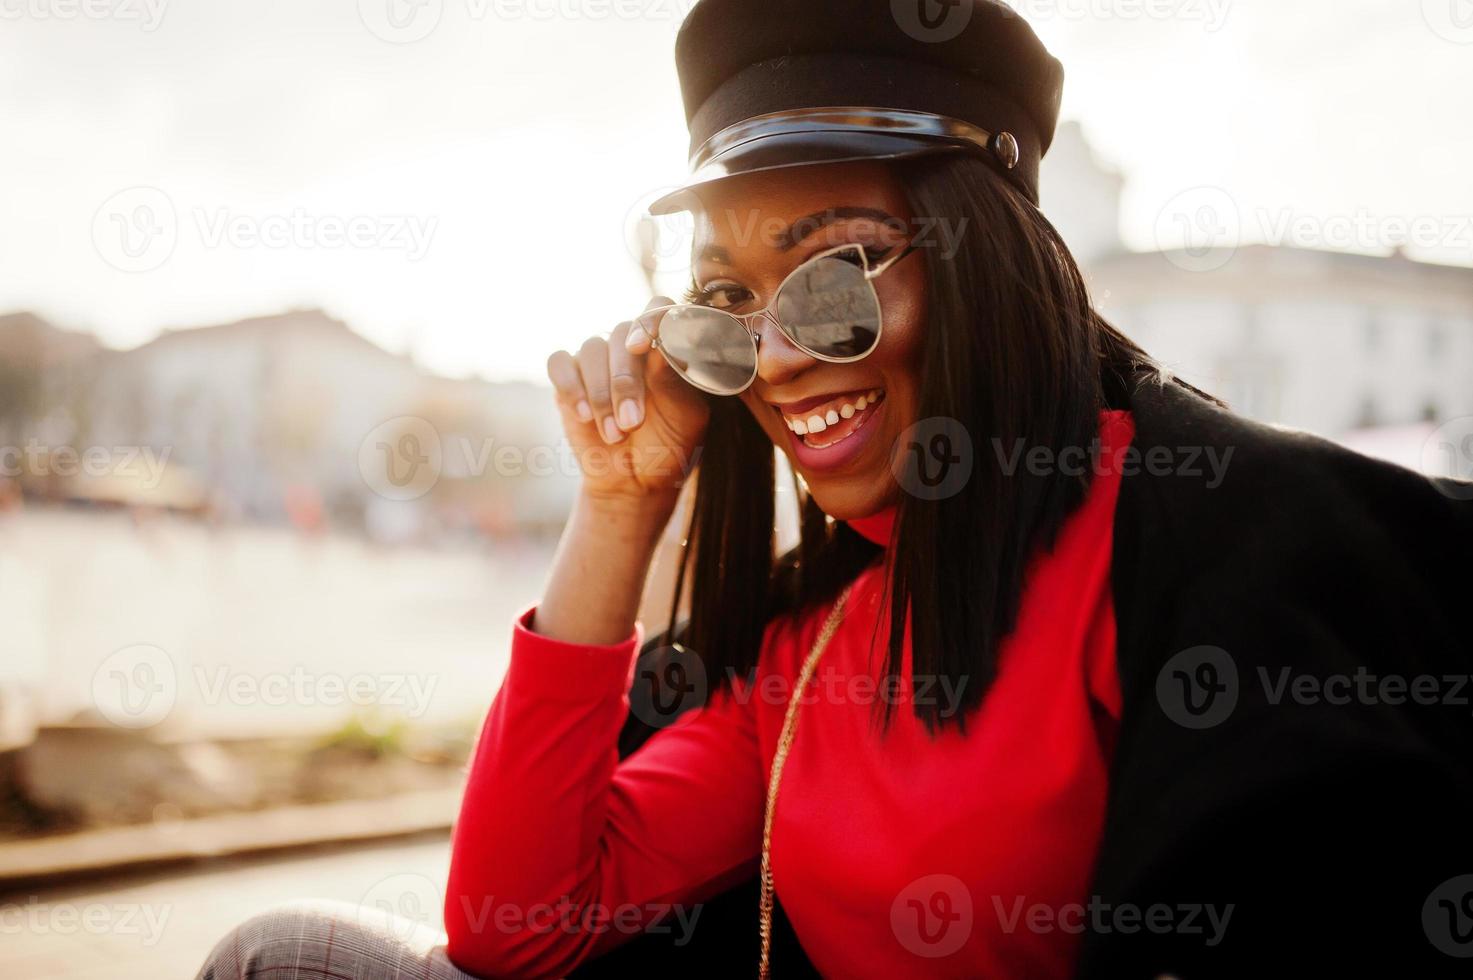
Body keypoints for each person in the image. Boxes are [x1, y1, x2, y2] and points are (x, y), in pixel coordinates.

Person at [198, 1, 1473, 977]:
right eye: (728, 304)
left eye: (839, 272)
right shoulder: (807, 655)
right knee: (277, 952)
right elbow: (516, 923)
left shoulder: (1210, 547)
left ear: (989, 267)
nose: (781, 354)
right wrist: (622, 503)